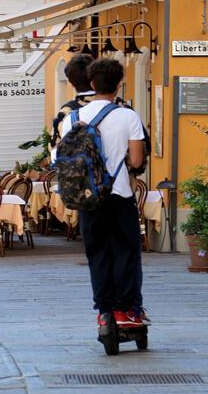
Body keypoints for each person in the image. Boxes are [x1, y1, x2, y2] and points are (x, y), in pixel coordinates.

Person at [59, 58, 148, 330]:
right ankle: (125, 311)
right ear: (119, 85)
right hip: (119, 194)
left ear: (92, 84)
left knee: (97, 254)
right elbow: (135, 161)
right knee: (126, 252)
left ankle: (104, 310)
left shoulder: (70, 119)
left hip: (87, 198)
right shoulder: (127, 116)